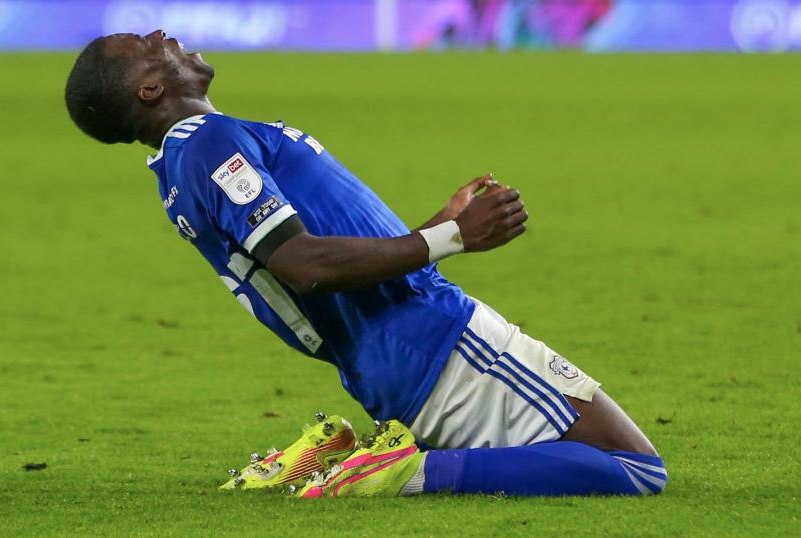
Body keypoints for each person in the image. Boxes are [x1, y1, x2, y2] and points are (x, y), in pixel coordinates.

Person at [63, 30, 667, 498]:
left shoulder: (187, 160)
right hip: (435, 340)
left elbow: (314, 256)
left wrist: (430, 228)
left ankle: (366, 459)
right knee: (635, 467)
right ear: (148, 90)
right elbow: (301, 263)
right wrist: (453, 238)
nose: (163, 35)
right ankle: (400, 471)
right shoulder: (207, 143)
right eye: (147, 45)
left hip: (395, 351)